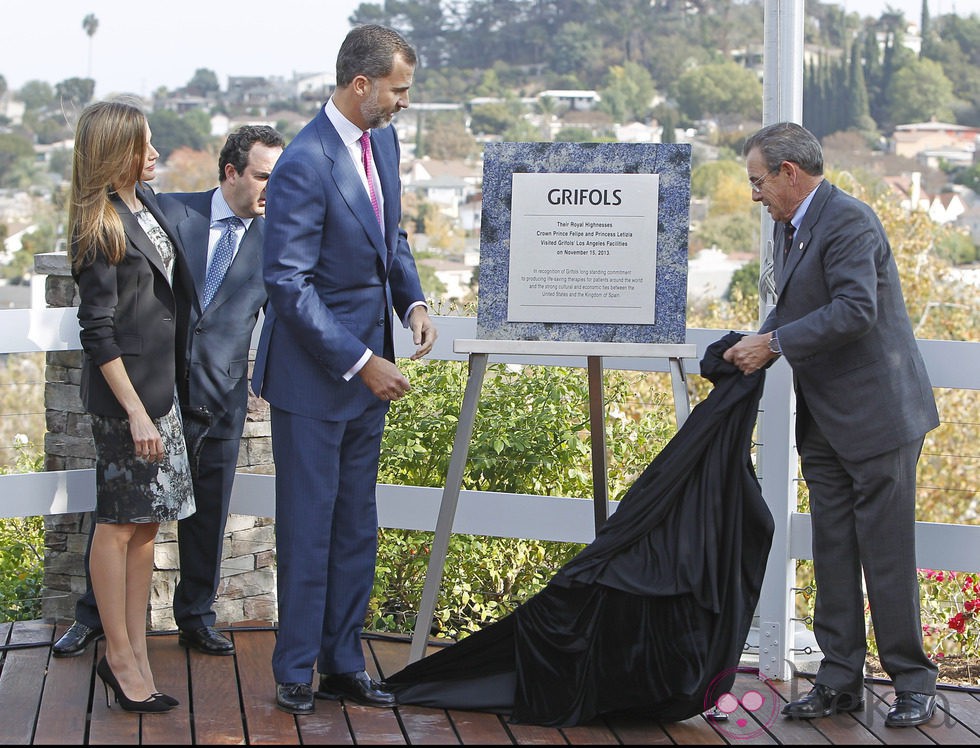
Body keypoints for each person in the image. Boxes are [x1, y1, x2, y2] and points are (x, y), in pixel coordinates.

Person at [724, 121, 939, 728]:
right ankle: (839, 682)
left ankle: (914, 685)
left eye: (759, 181)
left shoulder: (849, 221)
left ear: (790, 173)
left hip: (878, 418)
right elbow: (796, 307)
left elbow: (854, 309)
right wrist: (753, 341)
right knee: (834, 550)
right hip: (824, 422)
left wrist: (773, 343)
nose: (755, 194)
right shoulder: (791, 228)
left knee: (887, 555)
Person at [251, 24, 437, 715]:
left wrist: (411, 300)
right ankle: (295, 672)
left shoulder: (381, 141)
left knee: (358, 525)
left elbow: (391, 235)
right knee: (309, 525)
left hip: (368, 373)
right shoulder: (302, 161)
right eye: (398, 90)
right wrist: (363, 362)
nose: (404, 103)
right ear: (362, 86)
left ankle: (341, 662)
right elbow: (288, 285)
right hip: (316, 377)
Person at [53, 125, 284, 659]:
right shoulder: (164, 210)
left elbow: (284, 315)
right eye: (264, 176)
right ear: (231, 171)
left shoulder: (280, 236)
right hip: (156, 390)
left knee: (207, 514)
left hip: (223, 393)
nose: (275, 188)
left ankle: (196, 618)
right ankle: (95, 620)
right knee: (123, 511)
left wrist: (264, 378)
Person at [68, 99, 193, 713]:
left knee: (146, 525)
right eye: (144, 143)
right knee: (119, 525)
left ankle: (138, 650)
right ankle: (118, 658)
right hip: (127, 404)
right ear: (116, 150)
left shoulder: (146, 209)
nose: (155, 152)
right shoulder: (98, 224)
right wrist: (137, 414)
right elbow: (98, 332)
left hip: (161, 393)